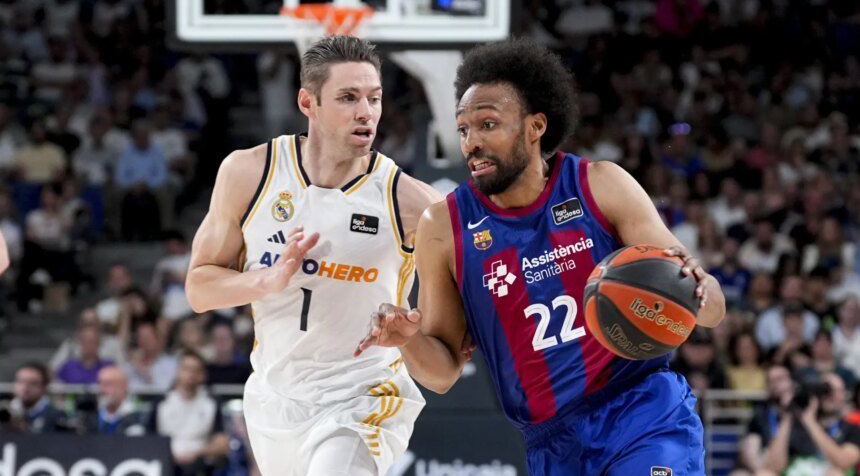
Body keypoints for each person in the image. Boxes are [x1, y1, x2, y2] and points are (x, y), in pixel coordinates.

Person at [355, 39, 726, 475]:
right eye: (463, 130)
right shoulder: (444, 227)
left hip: (641, 410)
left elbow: (712, 310)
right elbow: (442, 373)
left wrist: (695, 289)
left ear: (535, 126)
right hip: (551, 443)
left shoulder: (600, 185)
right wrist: (408, 340)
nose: (472, 142)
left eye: (488, 124)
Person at [185, 35, 439, 476]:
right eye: (348, 97)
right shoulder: (249, 173)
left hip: (363, 393)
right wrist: (264, 281)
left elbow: (486, 264)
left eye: (374, 98)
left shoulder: (412, 202)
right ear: (308, 102)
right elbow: (198, 289)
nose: (366, 112)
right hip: (275, 397)